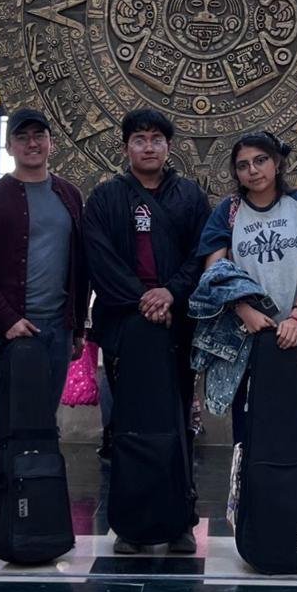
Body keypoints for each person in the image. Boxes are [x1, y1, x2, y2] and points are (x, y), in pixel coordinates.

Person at [82, 108, 211, 554]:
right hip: (125, 325)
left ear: (169, 147)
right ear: (126, 148)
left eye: (157, 139)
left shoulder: (190, 196)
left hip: (178, 324)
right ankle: (132, 522)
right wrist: (143, 299)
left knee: (179, 418)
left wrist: (170, 293)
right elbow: (99, 259)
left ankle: (181, 520)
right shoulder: (105, 198)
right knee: (126, 423)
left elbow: (203, 255)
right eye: (140, 139)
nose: (149, 147)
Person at [0, 108, 88, 558]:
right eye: (23, 137)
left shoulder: (69, 195)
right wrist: (7, 319)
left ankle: (35, 512)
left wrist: (78, 325)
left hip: (57, 329)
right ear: (9, 145)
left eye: (39, 135)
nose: (32, 144)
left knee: (42, 424)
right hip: (6, 333)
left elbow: (80, 265)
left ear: (51, 142)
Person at [196, 132, 297, 464]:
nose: (253, 170)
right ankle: (248, 496)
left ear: (277, 163)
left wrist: (296, 316)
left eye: (260, 161)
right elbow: (214, 273)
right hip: (246, 339)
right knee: (250, 434)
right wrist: (243, 310)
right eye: (243, 165)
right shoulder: (228, 212)